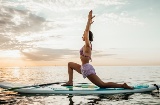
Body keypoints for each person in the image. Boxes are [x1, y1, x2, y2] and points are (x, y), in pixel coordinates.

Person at [62, 10, 133, 89]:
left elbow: (86, 31)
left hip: (86, 69)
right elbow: (87, 32)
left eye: (83, 36)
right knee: (70, 64)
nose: (82, 36)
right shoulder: (85, 45)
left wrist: (88, 21)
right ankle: (70, 82)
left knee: (102, 85)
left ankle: (122, 85)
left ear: (86, 37)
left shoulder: (87, 45)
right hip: (82, 68)